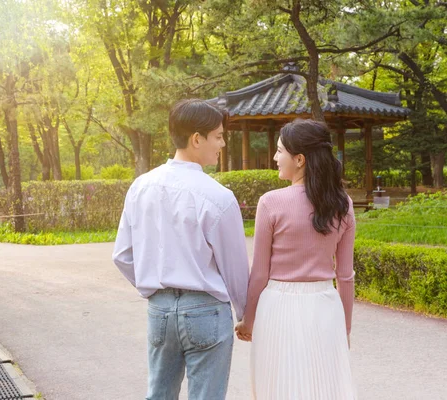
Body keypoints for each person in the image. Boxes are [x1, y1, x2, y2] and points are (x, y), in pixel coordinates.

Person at [113, 98, 249, 400]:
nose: (223, 143)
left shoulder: (140, 187)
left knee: (158, 395)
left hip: (159, 311)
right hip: (206, 311)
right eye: (218, 136)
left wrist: (155, 287)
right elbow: (235, 268)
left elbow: (122, 255)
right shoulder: (219, 196)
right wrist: (245, 315)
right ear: (196, 139)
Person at [236, 118, 357, 399]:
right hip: (325, 309)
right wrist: (345, 329)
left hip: (277, 308)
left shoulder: (271, 202)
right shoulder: (342, 204)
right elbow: (346, 275)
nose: (276, 157)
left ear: (299, 159)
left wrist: (247, 320)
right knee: (322, 388)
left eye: (280, 151)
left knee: (277, 386)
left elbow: (260, 274)